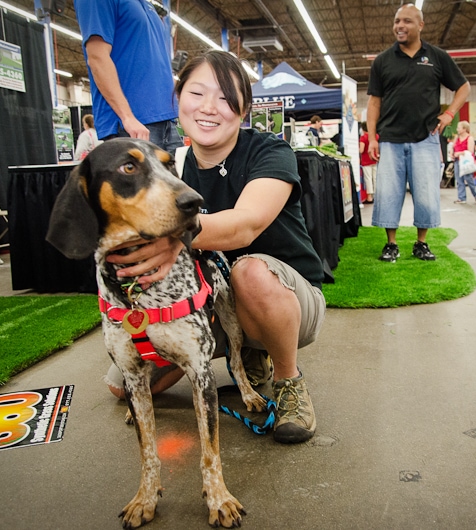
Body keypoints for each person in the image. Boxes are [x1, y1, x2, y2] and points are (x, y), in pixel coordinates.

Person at [104, 50, 326, 445]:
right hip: (211, 306)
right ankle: (243, 355)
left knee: (249, 271)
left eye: (225, 97)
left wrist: (171, 234)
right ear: (179, 99)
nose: (209, 108)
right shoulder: (171, 165)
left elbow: (245, 226)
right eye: (197, 93)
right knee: (123, 386)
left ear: (244, 109)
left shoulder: (269, 152)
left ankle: (288, 379)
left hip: (287, 298)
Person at [367, 3, 470, 263]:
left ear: (420, 25)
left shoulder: (436, 57)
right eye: (397, 21)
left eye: (407, 21)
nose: (400, 26)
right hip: (390, 138)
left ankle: (421, 243)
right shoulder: (383, 60)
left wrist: (449, 115)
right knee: (389, 194)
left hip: (426, 137)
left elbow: (464, 87)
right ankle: (391, 244)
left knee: (425, 194)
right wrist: (371, 138)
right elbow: (374, 102)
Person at [73, 0, 183, 155]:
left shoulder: (147, 5)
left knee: (178, 178)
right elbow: (97, 57)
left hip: (166, 121)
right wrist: (127, 117)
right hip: (133, 125)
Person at [452, 121, 476, 204]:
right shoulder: (457, 138)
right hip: (457, 160)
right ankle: (461, 197)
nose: (457, 129)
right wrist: (452, 153)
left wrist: (459, 153)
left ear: (464, 129)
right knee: (459, 179)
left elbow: (470, 151)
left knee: (468, 178)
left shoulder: (469, 138)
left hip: (466, 161)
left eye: (459, 128)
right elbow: (453, 147)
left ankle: (475, 193)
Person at [359, 121, 378, 203]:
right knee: (376, 178)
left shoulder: (363, 138)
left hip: (366, 161)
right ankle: (377, 196)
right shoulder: (376, 136)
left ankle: (369, 197)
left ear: (363, 129)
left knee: (368, 178)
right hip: (375, 160)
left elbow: (361, 150)